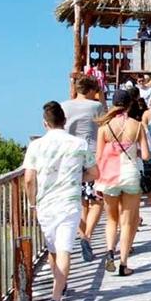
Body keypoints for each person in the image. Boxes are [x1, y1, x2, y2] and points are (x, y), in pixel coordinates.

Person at [23, 101, 96, 301]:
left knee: (53, 249)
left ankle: (59, 288)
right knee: (64, 249)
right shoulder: (79, 144)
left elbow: (28, 179)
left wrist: (32, 203)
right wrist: (76, 177)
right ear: (64, 121)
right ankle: (56, 297)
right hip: (69, 202)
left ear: (45, 123)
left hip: (45, 204)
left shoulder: (36, 146)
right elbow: (94, 173)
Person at [95, 89, 150, 276]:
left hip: (109, 176)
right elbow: (146, 155)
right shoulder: (138, 125)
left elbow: (99, 157)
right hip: (130, 175)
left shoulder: (104, 128)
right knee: (127, 223)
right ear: (129, 104)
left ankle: (110, 251)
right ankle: (123, 264)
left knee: (111, 220)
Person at [61, 74, 104, 262]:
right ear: (91, 90)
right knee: (97, 200)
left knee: (76, 202)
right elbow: (104, 124)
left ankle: (81, 234)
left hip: (70, 158)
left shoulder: (64, 106)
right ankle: (87, 235)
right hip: (92, 155)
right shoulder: (96, 106)